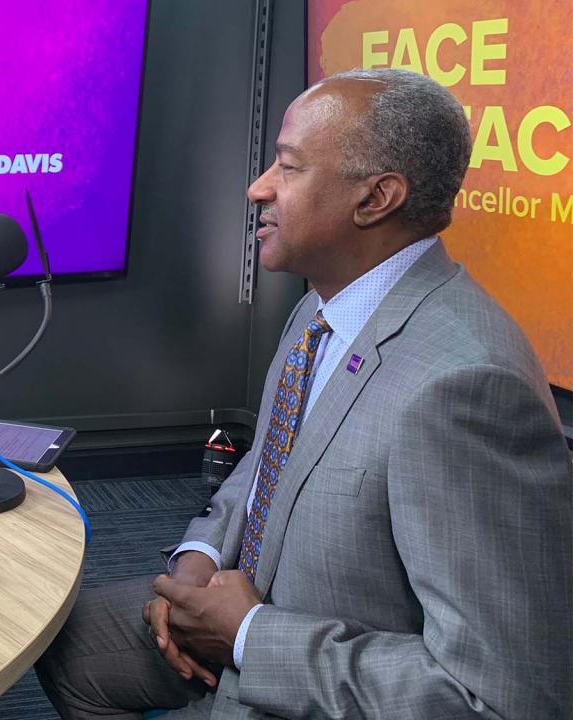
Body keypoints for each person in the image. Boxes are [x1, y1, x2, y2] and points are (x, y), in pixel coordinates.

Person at [35, 68, 572, 718]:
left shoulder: (465, 387)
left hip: (307, 671)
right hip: (241, 609)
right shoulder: (324, 305)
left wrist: (252, 635)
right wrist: (195, 567)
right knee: (68, 646)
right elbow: (266, 467)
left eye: (287, 169)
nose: (257, 188)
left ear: (376, 199)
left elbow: (504, 697)